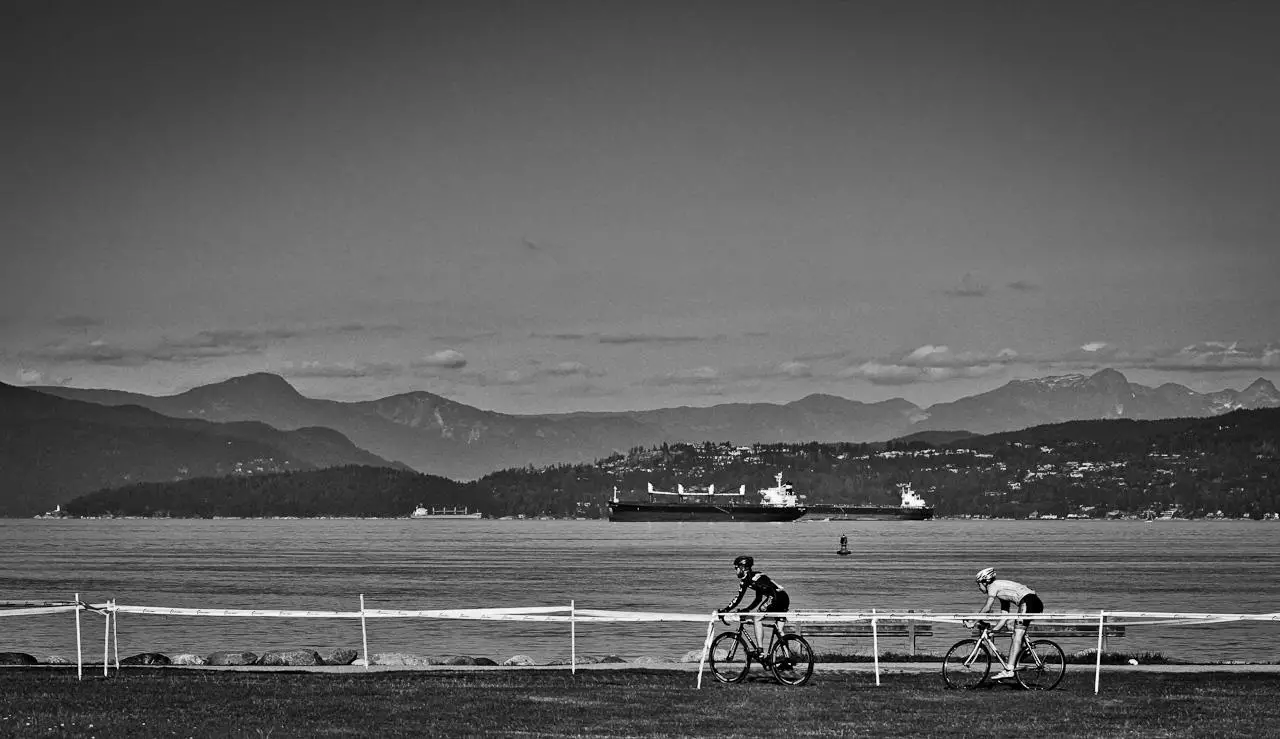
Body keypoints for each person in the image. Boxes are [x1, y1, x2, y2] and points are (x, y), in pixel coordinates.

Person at [969, 567, 1043, 681]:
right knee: (1011, 626)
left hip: (1028, 601)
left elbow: (987, 608)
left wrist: (973, 621)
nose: (979, 587)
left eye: (979, 584)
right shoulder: (1001, 590)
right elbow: (1005, 615)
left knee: (1017, 635)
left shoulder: (993, 586)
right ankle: (1024, 650)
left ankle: (1009, 670)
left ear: (985, 581)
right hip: (1032, 601)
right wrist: (994, 631)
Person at [722, 555, 790, 653]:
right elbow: (758, 598)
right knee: (780, 630)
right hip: (784, 597)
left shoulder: (747, 579)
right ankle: (787, 659)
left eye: (736, 568)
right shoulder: (757, 575)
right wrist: (748, 609)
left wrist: (725, 610)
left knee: (757, 618)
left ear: (742, 568)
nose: (735, 571)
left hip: (774, 597)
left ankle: (760, 650)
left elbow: (738, 599)